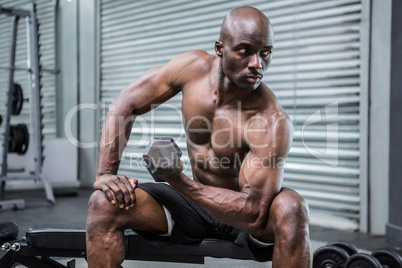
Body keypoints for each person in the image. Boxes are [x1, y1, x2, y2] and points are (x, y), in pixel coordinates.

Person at [86, 6, 312, 268]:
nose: (256, 64)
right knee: (103, 202)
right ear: (220, 48)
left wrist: (177, 181)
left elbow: (253, 212)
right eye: (244, 51)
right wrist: (105, 173)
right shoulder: (192, 69)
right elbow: (125, 103)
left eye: (265, 53)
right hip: (194, 209)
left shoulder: (271, 119)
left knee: (292, 208)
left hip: (245, 220)